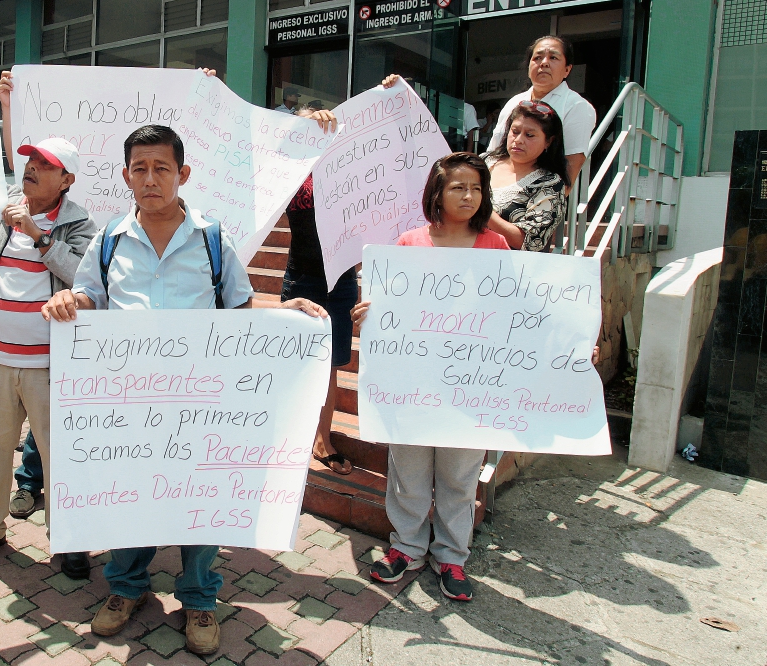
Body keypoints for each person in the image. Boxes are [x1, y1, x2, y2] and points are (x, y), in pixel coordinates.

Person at [41, 124, 327, 656]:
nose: (151, 179)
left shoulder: (213, 239)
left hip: (200, 405)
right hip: (129, 404)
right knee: (131, 496)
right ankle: (126, 588)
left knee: (201, 500)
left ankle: (198, 597)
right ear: (126, 176)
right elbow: (89, 295)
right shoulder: (109, 240)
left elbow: (238, 312)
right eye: (140, 169)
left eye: (162, 168)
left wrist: (282, 312)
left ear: (183, 174)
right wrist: (70, 303)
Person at [0, 68, 98, 581]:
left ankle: (68, 541)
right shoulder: (10, 206)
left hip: (48, 364)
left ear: (67, 180)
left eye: (45, 165)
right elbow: (10, 156)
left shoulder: (79, 223)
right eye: (30, 161)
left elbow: (82, 276)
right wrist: (6, 105)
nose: (31, 168)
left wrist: (37, 235)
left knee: (61, 457)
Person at [354, 152, 507, 604]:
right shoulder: (409, 243)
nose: (469, 195)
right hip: (413, 384)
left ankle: (452, 557)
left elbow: (515, 315)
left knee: (461, 475)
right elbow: (392, 307)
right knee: (409, 471)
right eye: (458, 186)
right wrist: (371, 314)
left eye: (477, 188)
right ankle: (406, 548)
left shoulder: (496, 247)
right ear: (436, 193)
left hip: (469, 385)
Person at [279, 105, 353, 475]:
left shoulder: (348, 163)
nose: (314, 128)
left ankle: (322, 439)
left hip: (340, 281)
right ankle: (291, 437)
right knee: (295, 363)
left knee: (332, 366)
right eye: (304, 125)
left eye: (319, 122)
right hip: (302, 278)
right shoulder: (287, 168)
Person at [485, 36, 596, 184]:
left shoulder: (577, 106)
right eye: (537, 57)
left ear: (567, 70)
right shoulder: (513, 103)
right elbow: (493, 152)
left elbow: (571, 165)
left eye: (553, 57)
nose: (544, 63)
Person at [486, 100, 571, 252]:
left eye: (529, 135)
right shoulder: (483, 163)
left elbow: (531, 242)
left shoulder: (551, 184)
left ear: (548, 142)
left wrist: (483, 212)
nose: (518, 140)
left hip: (508, 272)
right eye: (515, 131)